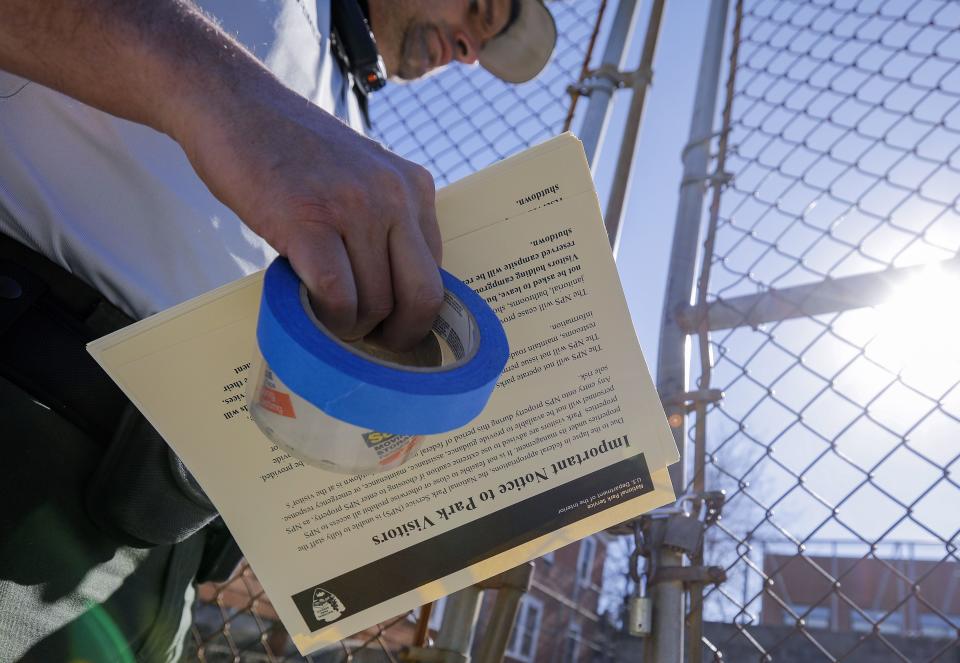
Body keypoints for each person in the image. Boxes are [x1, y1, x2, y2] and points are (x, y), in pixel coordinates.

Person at [0, 0, 557, 661]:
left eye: (480, 49)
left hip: (159, 542)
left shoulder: (348, 113)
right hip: (31, 415)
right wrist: (226, 95)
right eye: (480, 9)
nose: (468, 49)